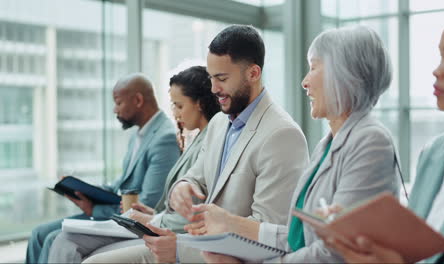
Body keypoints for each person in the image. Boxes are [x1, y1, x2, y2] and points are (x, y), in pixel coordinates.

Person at [84, 24, 310, 264]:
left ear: (253, 73)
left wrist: (180, 251)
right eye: (212, 78)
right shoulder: (220, 123)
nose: (213, 89)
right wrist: (182, 187)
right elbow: (195, 177)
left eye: (222, 78)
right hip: (190, 245)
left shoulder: (282, 135)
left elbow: (269, 235)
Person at [195, 25, 402, 263]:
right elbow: (300, 238)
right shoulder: (327, 145)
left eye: (313, 68)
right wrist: (233, 224)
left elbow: (333, 253)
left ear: (344, 76)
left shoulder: (370, 141)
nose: (305, 82)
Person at [323, 7, 444, 264]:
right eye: (440, 57)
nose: (437, 71)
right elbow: (413, 249)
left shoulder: (370, 138)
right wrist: (366, 231)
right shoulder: (434, 152)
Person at [47, 66, 220, 263]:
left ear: (200, 104)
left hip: (171, 232)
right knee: (62, 238)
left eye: (179, 106)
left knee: (67, 241)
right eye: (173, 106)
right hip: (157, 220)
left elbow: (193, 209)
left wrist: (153, 218)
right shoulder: (195, 139)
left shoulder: (205, 142)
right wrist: (155, 214)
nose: (175, 114)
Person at [25, 73, 180, 263]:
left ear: (138, 100)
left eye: (118, 102)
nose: (115, 109)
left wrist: (94, 211)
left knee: (52, 238)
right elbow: (120, 186)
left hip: (132, 222)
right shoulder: (138, 135)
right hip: (116, 211)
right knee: (38, 233)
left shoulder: (164, 138)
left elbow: (149, 203)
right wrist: (84, 189)